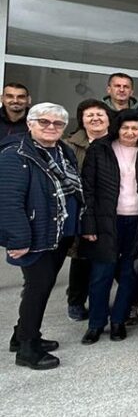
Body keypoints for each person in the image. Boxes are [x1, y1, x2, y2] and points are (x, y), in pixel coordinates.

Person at [0, 103, 82, 370]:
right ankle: (27, 349)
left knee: (41, 288)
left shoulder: (63, 151)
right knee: (37, 289)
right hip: (35, 237)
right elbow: (8, 202)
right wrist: (18, 239)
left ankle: (23, 333)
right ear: (30, 124)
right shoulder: (15, 155)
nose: (51, 127)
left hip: (60, 234)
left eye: (57, 124)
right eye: (44, 122)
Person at [80, 109, 138, 344]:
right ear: (117, 128)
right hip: (106, 219)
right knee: (102, 272)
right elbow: (87, 189)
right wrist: (88, 223)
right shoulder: (99, 149)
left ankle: (119, 320)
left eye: (135, 128)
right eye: (125, 128)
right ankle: (96, 323)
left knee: (130, 272)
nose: (130, 132)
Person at [63, 99, 111, 322]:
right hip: (82, 206)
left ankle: (98, 302)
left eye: (100, 114)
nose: (95, 119)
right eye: (90, 115)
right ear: (82, 120)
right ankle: (75, 300)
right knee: (81, 257)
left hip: (111, 208)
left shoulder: (117, 143)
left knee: (104, 258)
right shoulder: (70, 145)